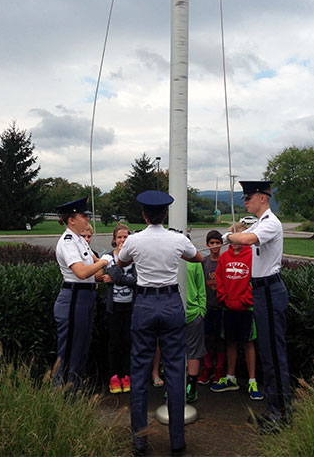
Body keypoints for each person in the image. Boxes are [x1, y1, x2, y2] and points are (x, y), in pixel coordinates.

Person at [118, 190, 203, 457]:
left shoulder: (133, 240)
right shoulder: (177, 239)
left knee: (140, 372)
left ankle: (140, 440)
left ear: (144, 215)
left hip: (144, 304)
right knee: (175, 371)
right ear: (164, 214)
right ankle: (177, 442)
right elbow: (197, 258)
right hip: (170, 304)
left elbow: (121, 262)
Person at [223, 180, 292, 431]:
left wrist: (227, 236)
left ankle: (282, 414)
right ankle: (275, 409)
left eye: (249, 197)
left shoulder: (270, 223)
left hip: (270, 291)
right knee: (267, 352)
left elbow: (249, 239)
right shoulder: (261, 222)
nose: (245, 201)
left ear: (263, 197)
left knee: (274, 353)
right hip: (262, 292)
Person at [53, 197, 108, 392]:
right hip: (73, 297)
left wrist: (102, 263)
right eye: (83, 215)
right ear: (71, 220)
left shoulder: (80, 241)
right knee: (69, 349)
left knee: (82, 346)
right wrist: (103, 261)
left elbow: (98, 274)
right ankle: (61, 391)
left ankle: (74, 387)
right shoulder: (68, 242)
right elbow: (82, 272)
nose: (87, 218)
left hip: (85, 297)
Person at [210, 225, 263, 401]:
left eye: (237, 237)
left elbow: (253, 280)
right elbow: (219, 279)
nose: (233, 241)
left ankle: (252, 380)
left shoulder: (252, 256)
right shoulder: (224, 257)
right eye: (231, 237)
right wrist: (224, 299)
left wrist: (244, 301)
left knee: (248, 343)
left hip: (246, 308)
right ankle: (231, 377)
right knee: (230, 342)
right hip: (228, 307)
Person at [101, 223, 137, 394]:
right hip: (114, 307)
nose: (123, 240)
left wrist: (116, 279)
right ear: (114, 240)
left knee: (128, 342)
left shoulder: (135, 258)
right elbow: (114, 273)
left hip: (130, 306)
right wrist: (119, 277)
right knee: (114, 342)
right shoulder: (108, 257)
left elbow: (136, 280)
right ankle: (114, 376)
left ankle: (126, 374)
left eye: (126, 237)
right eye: (120, 237)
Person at [198, 230, 226, 385]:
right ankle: (208, 367)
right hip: (207, 306)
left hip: (222, 305)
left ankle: (220, 368)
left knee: (221, 338)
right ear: (207, 245)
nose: (215, 246)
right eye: (212, 243)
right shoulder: (204, 262)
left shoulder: (225, 260)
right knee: (206, 337)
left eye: (218, 243)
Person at [185, 260, 207, 403]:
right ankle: (174, 387)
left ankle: (191, 386)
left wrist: (201, 311)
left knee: (193, 351)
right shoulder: (167, 257)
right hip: (172, 313)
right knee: (173, 352)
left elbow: (201, 286)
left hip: (192, 313)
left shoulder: (193, 261)